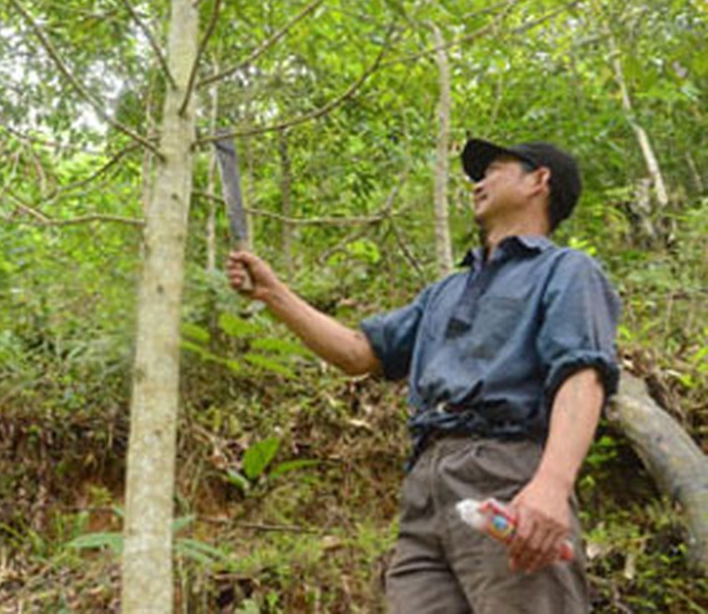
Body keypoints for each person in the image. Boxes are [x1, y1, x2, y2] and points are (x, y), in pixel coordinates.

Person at [227, 138, 620, 613]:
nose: (479, 182)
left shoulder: (566, 270)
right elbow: (358, 353)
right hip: (424, 490)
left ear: (540, 181)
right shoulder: (446, 291)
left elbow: (582, 374)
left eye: (495, 169)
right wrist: (273, 294)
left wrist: (552, 487)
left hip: (507, 472)